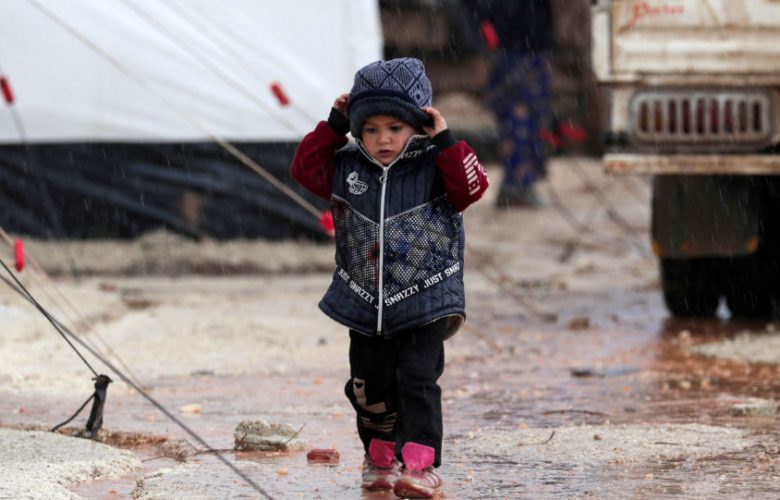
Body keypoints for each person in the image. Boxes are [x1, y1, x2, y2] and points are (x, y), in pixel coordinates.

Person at [290, 57, 488, 498]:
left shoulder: (436, 164)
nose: (383, 139)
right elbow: (304, 170)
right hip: (364, 300)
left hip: (426, 299)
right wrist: (334, 125)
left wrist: (445, 140)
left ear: (418, 125)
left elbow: (471, 188)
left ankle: (419, 465)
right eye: (371, 129)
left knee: (418, 380)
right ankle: (380, 457)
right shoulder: (347, 166)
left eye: (395, 128)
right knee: (369, 387)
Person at [464, 0, 554, 209]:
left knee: (521, 118)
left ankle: (518, 183)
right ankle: (517, 185)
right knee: (522, 118)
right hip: (520, 45)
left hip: (516, 44)